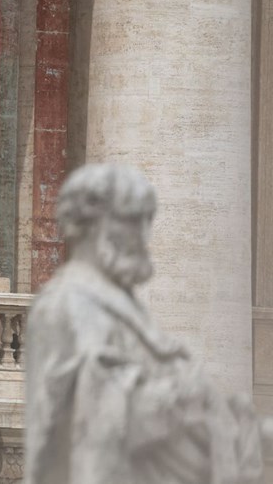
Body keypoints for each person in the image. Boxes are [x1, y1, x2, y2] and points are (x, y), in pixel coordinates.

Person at [25, 163, 268, 484]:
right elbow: (91, 425)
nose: (143, 234)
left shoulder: (119, 303)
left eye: (146, 220)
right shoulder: (67, 305)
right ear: (98, 225)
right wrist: (185, 398)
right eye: (133, 219)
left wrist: (230, 424)